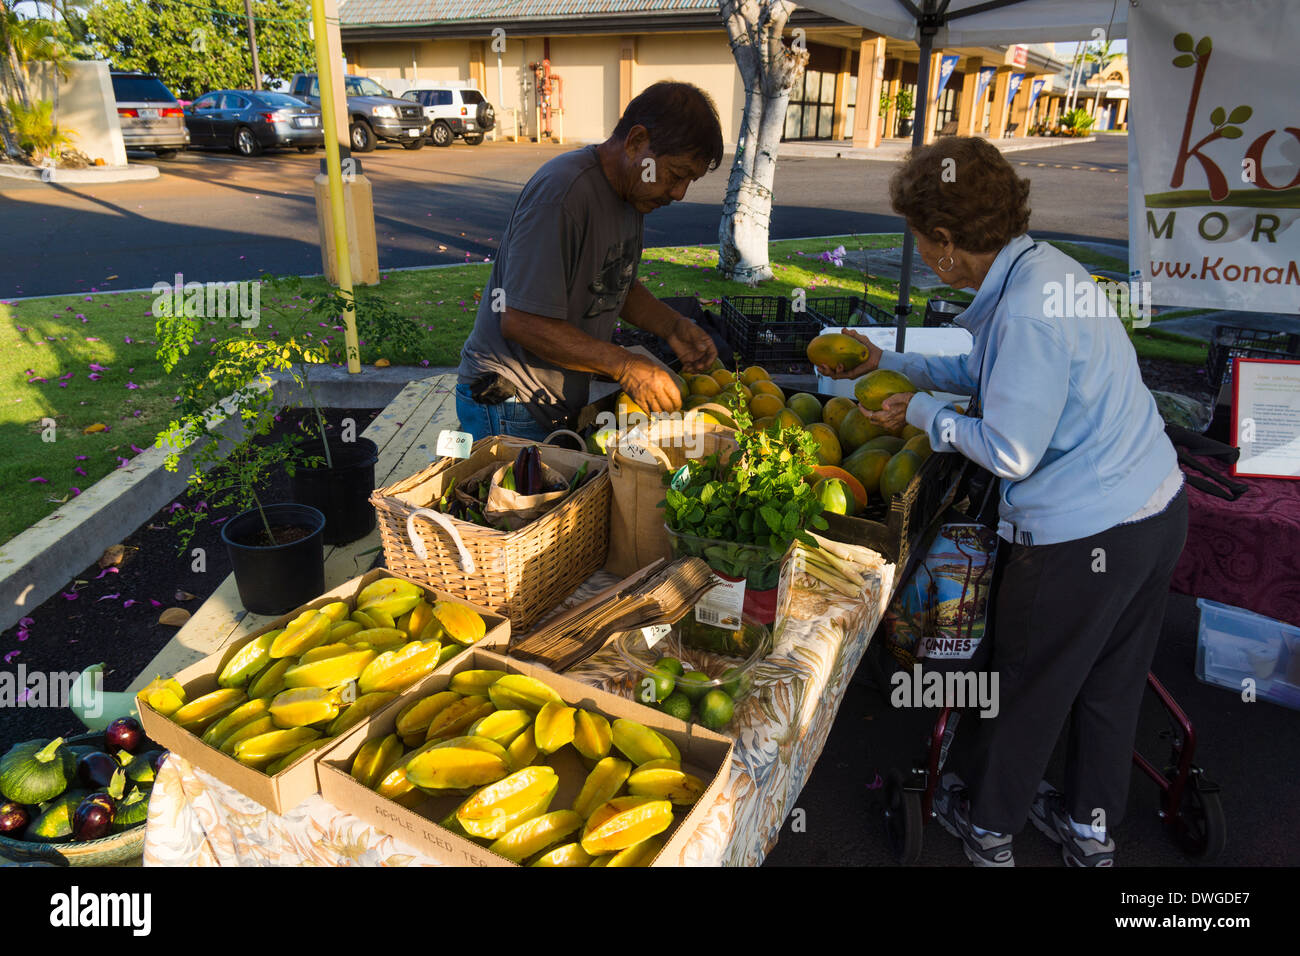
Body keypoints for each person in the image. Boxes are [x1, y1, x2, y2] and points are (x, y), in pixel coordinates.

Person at [820, 137, 1188, 867]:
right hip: (1154, 509)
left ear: (948, 242)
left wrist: (925, 413)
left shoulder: (1025, 309)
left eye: (923, 240)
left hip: (1083, 538)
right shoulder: (1044, 271)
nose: (923, 252)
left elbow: (1011, 449)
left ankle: (987, 824)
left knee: (1027, 685)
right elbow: (989, 368)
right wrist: (892, 363)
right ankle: (1090, 829)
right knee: (1108, 685)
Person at [456, 81, 722, 442]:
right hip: (508, 403)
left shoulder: (631, 195)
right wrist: (626, 366)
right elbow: (520, 321)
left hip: (547, 402)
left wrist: (673, 326)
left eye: (689, 180)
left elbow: (614, 283)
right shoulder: (562, 195)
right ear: (636, 142)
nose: (679, 193)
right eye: (675, 175)